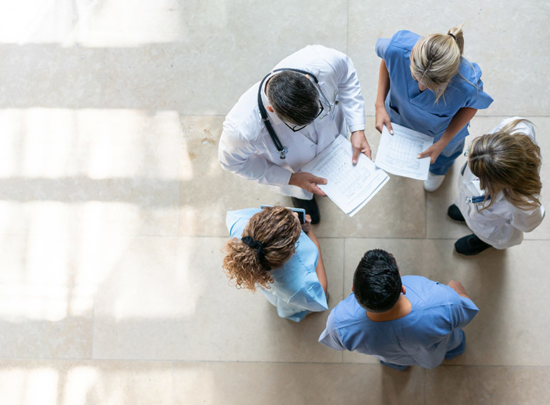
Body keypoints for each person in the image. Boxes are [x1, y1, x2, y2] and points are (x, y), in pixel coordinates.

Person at [218, 46, 370, 223]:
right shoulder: (242, 129)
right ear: (270, 109)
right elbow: (232, 163)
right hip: (295, 171)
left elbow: (347, 75)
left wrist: (357, 128)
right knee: (303, 196)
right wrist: (291, 178)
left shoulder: (322, 61)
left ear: (308, 80)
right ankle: (304, 200)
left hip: (335, 144)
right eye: (298, 126)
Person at [375, 25, 493, 192]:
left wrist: (443, 142)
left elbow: (472, 106)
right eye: (415, 77)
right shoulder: (397, 49)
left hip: (442, 134)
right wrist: (379, 105)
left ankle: (437, 171)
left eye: (431, 86)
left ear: (451, 78)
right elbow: (387, 60)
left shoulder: (467, 84)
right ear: (412, 53)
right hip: (400, 115)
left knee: (443, 156)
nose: (421, 87)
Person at [319, 249, 478, 370]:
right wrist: (457, 290)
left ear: (353, 289)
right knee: (453, 345)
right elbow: (466, 314)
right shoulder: (444, 302)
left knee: (394, 362)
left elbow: (334, 343)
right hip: (432, 356)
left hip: (392, 357)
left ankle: (399, 367)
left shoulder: (339, 323)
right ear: (402, 288)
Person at [448, 117, 545, 255]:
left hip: (489, 228)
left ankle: (482, 242)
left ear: (497, 182)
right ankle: (466, 213)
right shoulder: (516, 127)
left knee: (485, 232)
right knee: (467, 204)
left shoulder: (524, 204)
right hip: (471, 201)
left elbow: (527, 225)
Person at [223, 206, 328, 322]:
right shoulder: (299, 285)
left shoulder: (237, 220)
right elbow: (320, 293)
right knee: (297, 305)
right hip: (290, 295)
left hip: (271, 287)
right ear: (291, 253)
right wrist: (313, 240)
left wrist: (283, 219)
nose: (296, 214)